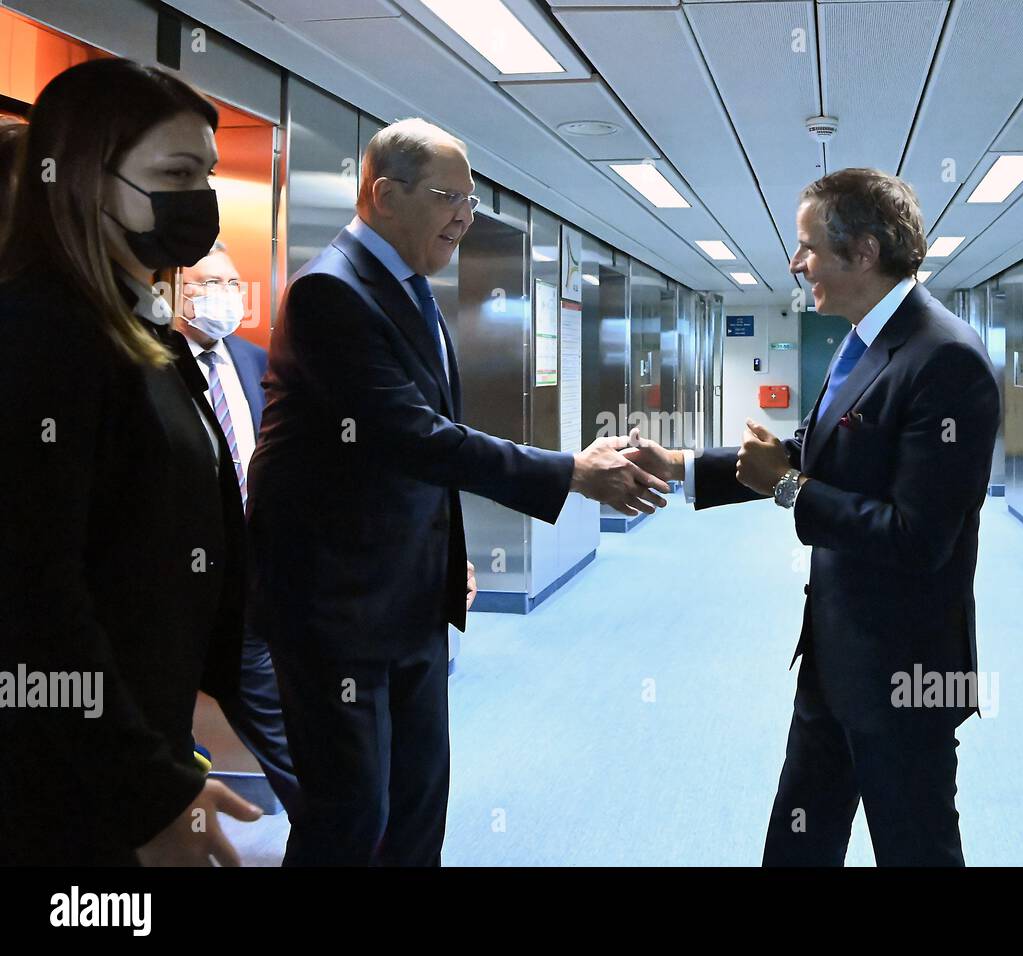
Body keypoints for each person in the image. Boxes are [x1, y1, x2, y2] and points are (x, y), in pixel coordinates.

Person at [247, 118, 669, 866]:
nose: (466, 219)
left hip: (409, 595)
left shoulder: (411, 290)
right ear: (383, 194)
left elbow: (418, 456)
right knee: (350, 813)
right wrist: (568, 470)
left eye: (471, 203)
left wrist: (448, 559)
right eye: (450, 198)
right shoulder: (329, 294)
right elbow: (412, 436)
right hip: (335, 605)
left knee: (417, 807)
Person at [626, 168, 1000, 866]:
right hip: (833, 658)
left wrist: (792, 489)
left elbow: (918, 540)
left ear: (862, 252)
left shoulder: (944, 358)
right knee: (798, 842)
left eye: (807, 248)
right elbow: (806, 450)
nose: (796, 265)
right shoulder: (860, 342)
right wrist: (675, 465)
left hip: (904, 675)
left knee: (916, 849)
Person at [0, 58, 261, 866]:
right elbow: (30, 597)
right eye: (176, 173)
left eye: (208, 173)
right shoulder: (41, 330)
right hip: (61, 785)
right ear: (83, 175)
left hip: (140, 731)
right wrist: (146, 791)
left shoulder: (138, 327)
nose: (202, 198)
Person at [177, 241, 301, 819]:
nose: (225, 296)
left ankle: (334, 831)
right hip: (172, 582)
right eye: (208, 284)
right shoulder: (148, 367)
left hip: (255, 575)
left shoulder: (255, 361)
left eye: (232, 284)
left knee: (278, 717)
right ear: (173, 288)